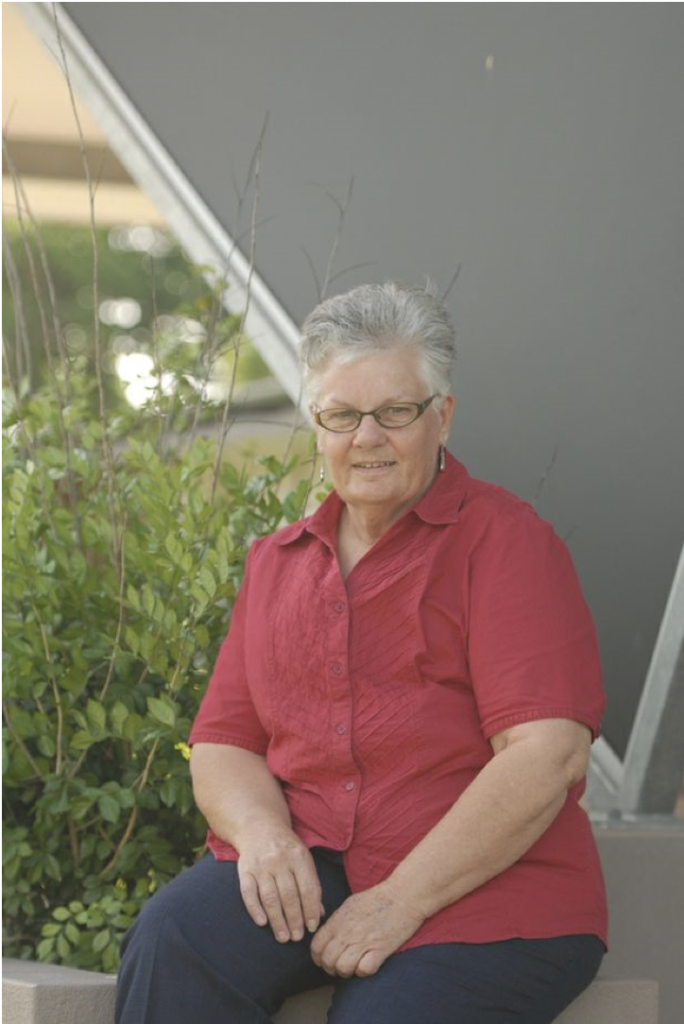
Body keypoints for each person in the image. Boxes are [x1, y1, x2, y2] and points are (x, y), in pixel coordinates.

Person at [116, 282, 607, 1024]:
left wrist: (399, 902)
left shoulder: (507, 544)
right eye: (342, 415)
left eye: (395, 413)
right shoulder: (277, 561)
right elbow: (224, 741)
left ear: (442, 416)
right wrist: (263, 835)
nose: (366, 437)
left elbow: (547, 755)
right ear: (318, 424)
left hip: (491, 893)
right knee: (174, 936)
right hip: (317, 868)